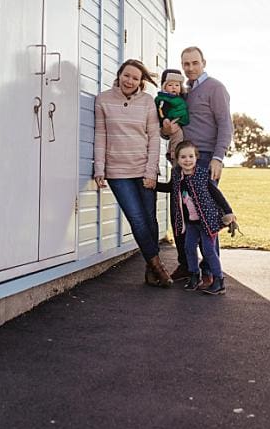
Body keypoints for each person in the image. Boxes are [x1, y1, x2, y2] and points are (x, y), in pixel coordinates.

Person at [160, 46, 236, 282]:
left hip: (204, 159)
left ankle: (211, 270)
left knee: (205, 216)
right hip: (180, 159)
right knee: (180, 214)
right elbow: (172, 127)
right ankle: (186, 265)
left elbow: (225, 124)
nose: (190, 68)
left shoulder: (215, 88)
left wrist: (218, 157)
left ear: (203, 62)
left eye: (194, 63)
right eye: (186, 64)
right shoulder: (182, 93)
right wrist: (165, 131)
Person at [91, 59, 169, 287]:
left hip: (143, 168)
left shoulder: (147, 103)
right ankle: (158, 267)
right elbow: (100, 136)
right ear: (119, 75)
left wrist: (151, 172)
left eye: (135, 78)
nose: (130, 81)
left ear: (140, 82)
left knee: (150, 220)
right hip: (117, 172)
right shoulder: (103, 100)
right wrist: (99, 168)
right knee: (136, 219)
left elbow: (154, 139)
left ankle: (150, 270)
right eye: (127, 75)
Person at [169, 142, 226, 295]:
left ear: (196, 158)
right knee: (188, 248)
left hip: (206, 222)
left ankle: (219, 280)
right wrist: (153, 185)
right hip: (191, 223)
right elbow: (170, 188)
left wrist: (228, 212)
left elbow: (216, 194)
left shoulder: (202, 174)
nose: (187, 160)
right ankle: (194, 275)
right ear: (177, 158)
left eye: (190, 156)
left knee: (208, 251)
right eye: (183, 157)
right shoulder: (176, 175)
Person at [155, 68, 190, 153]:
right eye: (170, 85)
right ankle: (174, 154)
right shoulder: (163, 99)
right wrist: (164, 121)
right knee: (177, 136)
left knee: (177, 137)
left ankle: (172, 152)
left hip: (183, 128)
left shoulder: (185, 97)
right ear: (164, 86)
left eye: (177, 85)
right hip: (172, 122)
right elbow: (160, 112)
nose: (174, 87)